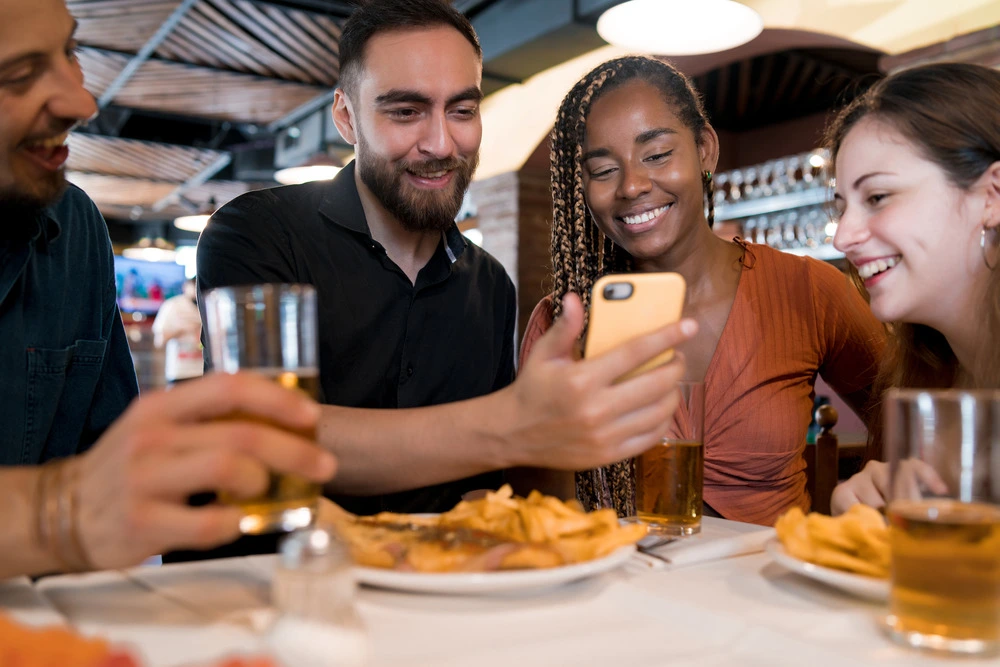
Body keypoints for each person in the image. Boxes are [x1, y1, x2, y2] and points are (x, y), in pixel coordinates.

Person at [197, 0, 694, 527]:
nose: (441, 143)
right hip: (280, 590)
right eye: (406, 112)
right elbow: (263, 440)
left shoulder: (490, 285)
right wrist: (513, 423)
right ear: (346, 116)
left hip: (443, 590)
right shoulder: (257, 232)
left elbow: (482, 489)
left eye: (462, 110)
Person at [0, 0, 336, 579]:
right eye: (19, 75)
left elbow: (105, 461)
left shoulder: (74, 227)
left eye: (70, 52)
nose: (83, 103)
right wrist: (56, 512)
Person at [518, 56, 886, 525]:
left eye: (656, 155)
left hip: (765, 592)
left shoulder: (806, 289)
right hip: (620, 592)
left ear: (706, 150)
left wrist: (871, 507)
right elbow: (542, 512)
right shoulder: (562, 325)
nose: (631, 185)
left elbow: (902, 411)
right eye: (603, 170)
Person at [825, 63, 1000, 514]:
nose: (842, 237)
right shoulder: (930, 373)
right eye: (842, 207)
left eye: (878, 197)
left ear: (992, 196)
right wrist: (872, 515)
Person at [151, 278, 204, 384]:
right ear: (185, 287)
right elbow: (159, 341)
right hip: (180, 371)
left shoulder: (208, 303)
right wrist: (183, 329)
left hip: (204, 372)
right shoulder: (172, 305)